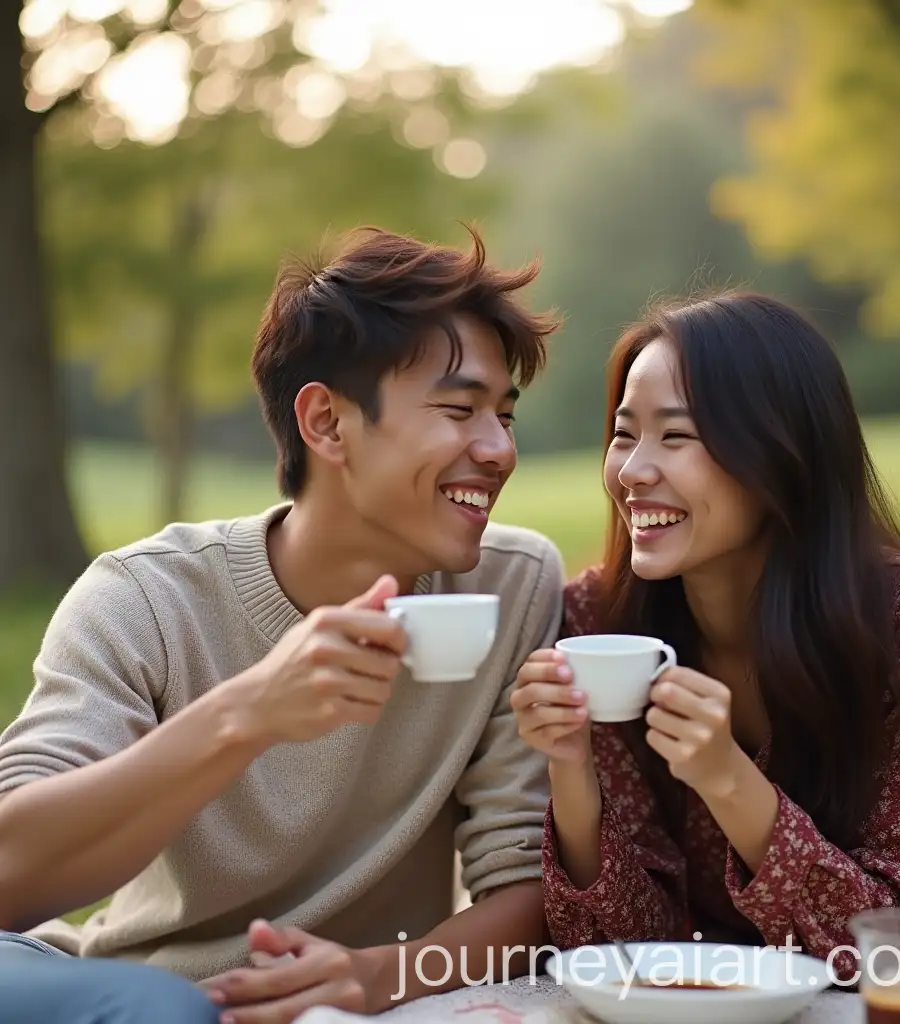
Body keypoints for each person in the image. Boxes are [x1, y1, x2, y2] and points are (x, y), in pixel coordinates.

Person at [0, 225, 565, 1023]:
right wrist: (249, 713)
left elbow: (526, 887)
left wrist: (379, 977)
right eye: (458, 409)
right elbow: (11, 877)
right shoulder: (145, 600)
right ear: (327, 424)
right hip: (141, 1001)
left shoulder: (513, 586)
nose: (499, 449)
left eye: (504, 416)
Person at [510, 291, 900, 979]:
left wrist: (726, 776)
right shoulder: (601, 625)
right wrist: (570, 772)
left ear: (780, 455)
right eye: (625, 434)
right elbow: (621, 946)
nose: (631, 472)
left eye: (677, 435)